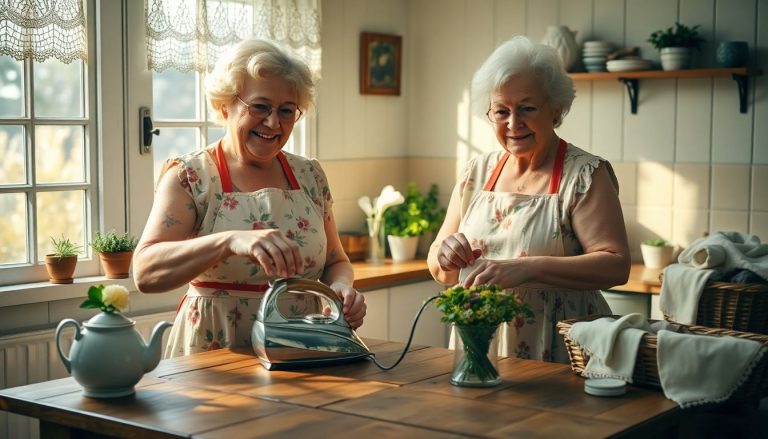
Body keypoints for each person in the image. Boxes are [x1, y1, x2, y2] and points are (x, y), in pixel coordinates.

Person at [133, 38, 366, 358]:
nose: (274, 123)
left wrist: (339, 289)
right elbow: (145, 272)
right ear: (225, 104)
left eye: (286, 111)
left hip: (301, 351)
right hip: (215, 354)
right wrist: (229, 241)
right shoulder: (192, 177)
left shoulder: (309, 176)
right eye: (260, 106)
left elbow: (337, 262)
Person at [427, 35, 630, 363]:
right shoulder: (476, 173)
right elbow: (438, 262)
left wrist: (527, 269)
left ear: (556, 109)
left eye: (527, 108)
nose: (513, 123)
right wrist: (446, 255)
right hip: (479, 342)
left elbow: (616, 264)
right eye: (501, 111)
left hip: (559, 346)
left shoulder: (584, 175)